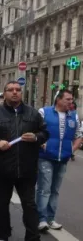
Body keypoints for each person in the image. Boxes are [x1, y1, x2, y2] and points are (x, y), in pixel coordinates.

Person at [0, 81, 48, 241]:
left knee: (29, 205)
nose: (15, 92)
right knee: (2, 205)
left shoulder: (33, 114)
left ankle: (32, 236)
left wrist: (36, 137)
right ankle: (3, 234)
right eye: (11, 90)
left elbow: (44, 132)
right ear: (5, 94)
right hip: (1, 169)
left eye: (18, 90)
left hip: (26, 169)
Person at [36, 90, 81, 231]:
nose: (71, 102)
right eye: (68, 99)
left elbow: (79, 135)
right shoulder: (44, 112)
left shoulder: (74, 116)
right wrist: (40, 143)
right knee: (44, 189)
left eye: (71, 99)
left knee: (55, 190)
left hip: (63, 159)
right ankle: (40, 219)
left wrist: (71, 150)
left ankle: (50, 218)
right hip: (45, 157)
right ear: (58, 100)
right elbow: (33, 129)